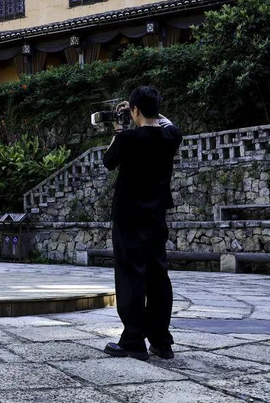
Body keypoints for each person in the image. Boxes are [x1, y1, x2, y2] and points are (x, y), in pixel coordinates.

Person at [102, 85, 182, 361]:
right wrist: (146, 110)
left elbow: (108, 161)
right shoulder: (171, 136)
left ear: (134, 110)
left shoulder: (127, 139)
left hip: (128, 216)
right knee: (158, 275)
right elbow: (166, 123)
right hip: (157, 215)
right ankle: (161, 341)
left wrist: (117, 127)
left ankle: (133, 340)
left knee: (130, 275)